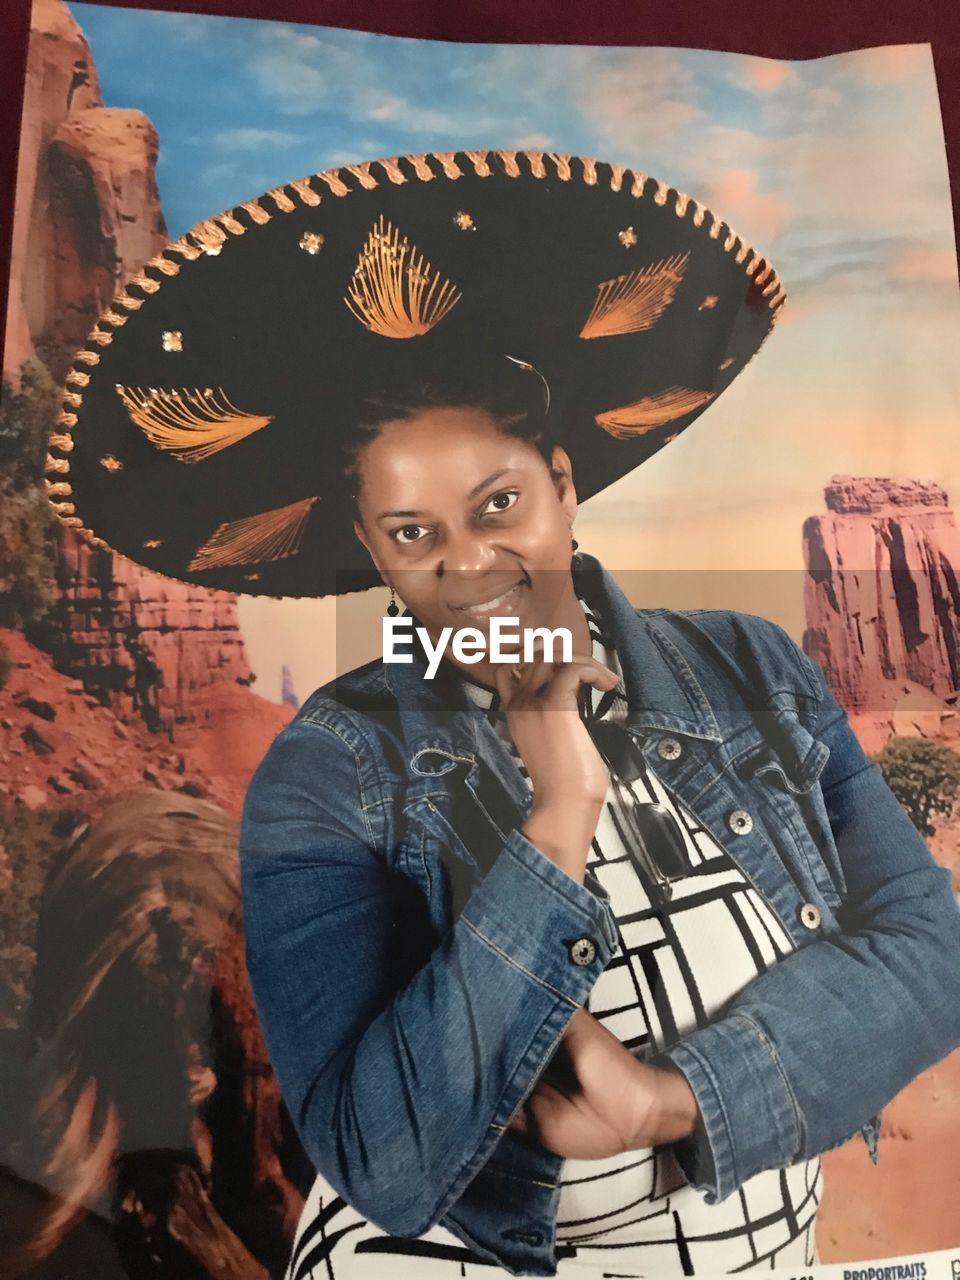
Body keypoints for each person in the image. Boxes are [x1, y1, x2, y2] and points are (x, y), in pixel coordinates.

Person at [47, 149, 960, 1279]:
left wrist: (674, 1100)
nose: (469, 562)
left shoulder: (749, 667)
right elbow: (383, 1155)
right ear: (373, 548)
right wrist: (559, 809)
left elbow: (933, 949)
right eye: (413, 531)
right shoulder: (327, 770)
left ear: (565, 484)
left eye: (499, 503)